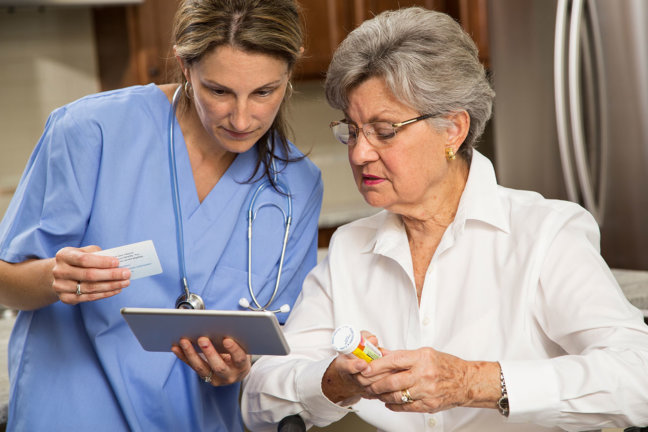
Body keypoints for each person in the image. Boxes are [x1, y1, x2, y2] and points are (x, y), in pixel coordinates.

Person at [241, 7, 648, 432]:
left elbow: (639, 377)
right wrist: (334, 382)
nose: (359, 153)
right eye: (352, 130)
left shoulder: (545, 234)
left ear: (452, 130)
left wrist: (475, 382)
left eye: (384, 130)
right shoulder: (349, 249)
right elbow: (259, 399)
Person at [0, 0, 322, 430]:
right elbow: (6, 282)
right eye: (219, 91)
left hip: (196, 418)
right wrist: (53, 277)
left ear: (290, 71)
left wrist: (244, 367)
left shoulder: (296, 186)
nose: (243, 118)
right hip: (72, 410)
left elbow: (282, 344)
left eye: (265, 92)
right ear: (184, 66)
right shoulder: (90, 131)